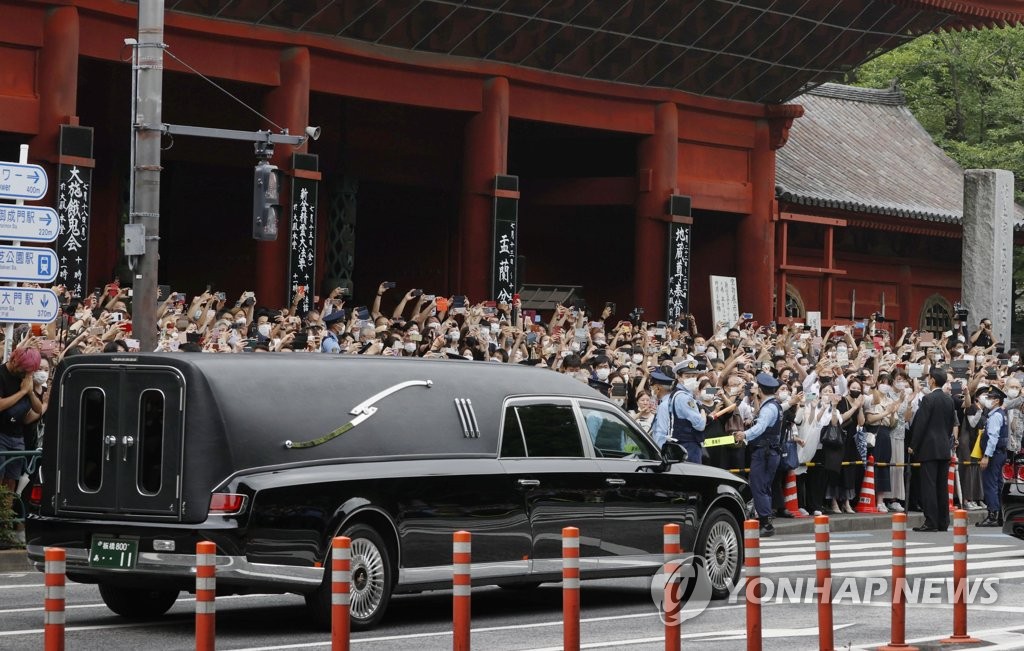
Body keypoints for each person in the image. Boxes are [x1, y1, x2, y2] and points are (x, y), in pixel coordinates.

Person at [908, 367, 957, 532]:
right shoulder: (949, 399)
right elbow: (951, 425)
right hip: (944, 447)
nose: (928, 380)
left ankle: (930, 522)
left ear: (933, 380)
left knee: (929, 486)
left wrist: (913, 445)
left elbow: (921, 424)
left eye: (929, 377)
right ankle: (943, 521)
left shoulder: (929, 399)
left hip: (929, 448)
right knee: (942, 487)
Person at [735, 372, 784, 537]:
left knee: (758, 486)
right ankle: (765, 518)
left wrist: (745, 434)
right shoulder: (773, 405)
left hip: (764, 452)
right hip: (770, 451)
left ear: (761, 390)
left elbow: (761, 426)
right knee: (764, 486)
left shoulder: (769, 408)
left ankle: (765, 523)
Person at [650, 360, 708, 461]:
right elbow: (700, 425)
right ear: (679, 377)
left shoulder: (679, 395)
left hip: (681, 448)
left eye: (694, 376)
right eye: (687, 376)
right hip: (688, 448)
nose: (691, 379)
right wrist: (703, 410)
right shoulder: (684, 397)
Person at [976, 387, 1009, 527]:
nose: (987, 400)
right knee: (998, 484)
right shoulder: (1001, 414)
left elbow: (993, 438)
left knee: (990, 484)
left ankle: (993, 515)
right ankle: (1001, 515)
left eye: (990, 398)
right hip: (1000, 453)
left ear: (996, 401)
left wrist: (986, 456)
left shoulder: (996, 416)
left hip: (994, 454)